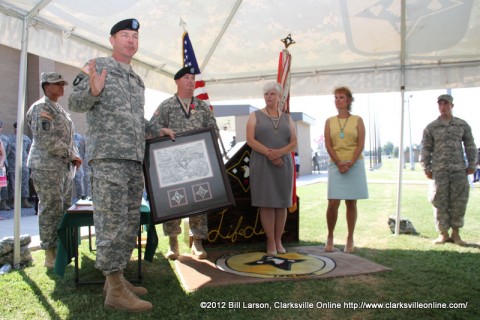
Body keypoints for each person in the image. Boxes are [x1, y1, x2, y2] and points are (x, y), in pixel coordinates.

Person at [68, 18, 153, 312]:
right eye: (125, 35)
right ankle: (115, 291)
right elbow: (75, 103)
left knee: (129, 222)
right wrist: (93, 90)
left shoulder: (136, 79)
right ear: (112, 40)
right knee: (111, 222)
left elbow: (135, 120)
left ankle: (116, 279)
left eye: (135, 36)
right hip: (108, 158)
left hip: (132, 159)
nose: (131, 41)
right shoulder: (97, 66)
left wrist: (156, 130)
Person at [146, 66, 219, 261]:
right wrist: (162, 130)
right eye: (186, 78)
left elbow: (214, 131)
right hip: (173, 166)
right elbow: (152, 127)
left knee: (200, 200)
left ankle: (197, 242)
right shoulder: (167, 105)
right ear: (177, 81)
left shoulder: (202, 107)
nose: (190, 81)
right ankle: (173, 243)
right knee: (174, 202)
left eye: (192, 78)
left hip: (198, 165)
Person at [26, 72, 81, 268]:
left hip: (62, 167)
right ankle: (49, 253)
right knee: (50, 209)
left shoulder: (57, 108)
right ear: (46, 85)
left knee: (63, 208)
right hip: (46, 166)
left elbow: (68, 138)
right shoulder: (42, 107)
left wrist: (72, 155)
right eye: (57, 84)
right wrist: (72, 154)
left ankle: (61, 249)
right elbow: (45, 139)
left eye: (62, 84)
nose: (62, 87)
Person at [246, 81, 297, 255]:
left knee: (281, 204)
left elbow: (294, 142)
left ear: (279, 96)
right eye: (266, 94)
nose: (269, 96)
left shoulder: (287, 118)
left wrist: (279, 153)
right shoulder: (255, 115)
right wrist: (270, 154)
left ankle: (279, 240)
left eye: (272, 94)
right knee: (267, 204)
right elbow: (250, 140)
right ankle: (270, 242)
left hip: (283, 165)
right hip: (262, 164)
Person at [420, 94, 477, 246]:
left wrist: (472, 165)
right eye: (440, 104)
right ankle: (443, 234)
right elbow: (425, 149)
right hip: (439, 171)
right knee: (439, 202)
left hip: (459, 170)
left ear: (452, 106)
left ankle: (456, 234)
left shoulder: (462, 125)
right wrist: (426, 167)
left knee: (459, 203)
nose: (443, 107)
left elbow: (470, 145)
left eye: (446, 104)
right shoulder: (431, 127)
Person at [324, 86, 368, 254]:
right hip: (335, 164)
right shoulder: (329, 121)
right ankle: (330, 236)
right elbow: (328, 144)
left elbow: (361, 144)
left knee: (351, 202)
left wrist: (349, 163)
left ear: (349, 100)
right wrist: (338, 162)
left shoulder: (358, 120)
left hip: (354, 164)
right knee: (333, 202)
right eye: (336, 97)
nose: (337, 100)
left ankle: (350, 238)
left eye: (341, 97)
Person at [7, 122, 33, 208]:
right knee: (13, 183)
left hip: (24, 164)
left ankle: (24, 200)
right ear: (14, 129)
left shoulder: (26, 139)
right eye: (16, 128)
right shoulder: (10, 139)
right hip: (13, 164)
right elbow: (7, 152)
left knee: (25, 182)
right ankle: (13, 201)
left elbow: (29, 151)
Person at [0, 121, 11, 211]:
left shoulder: (2, 140)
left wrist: (1, 163)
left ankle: (3, 204)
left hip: (0, 167)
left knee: (2, 188)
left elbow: (5, 153)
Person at [72, 132, 85, 202]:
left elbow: (82, 151)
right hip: (65, 161)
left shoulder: (78, 137)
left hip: (77, 161)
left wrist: (79, 161)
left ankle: (81, 198)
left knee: (79, 180)